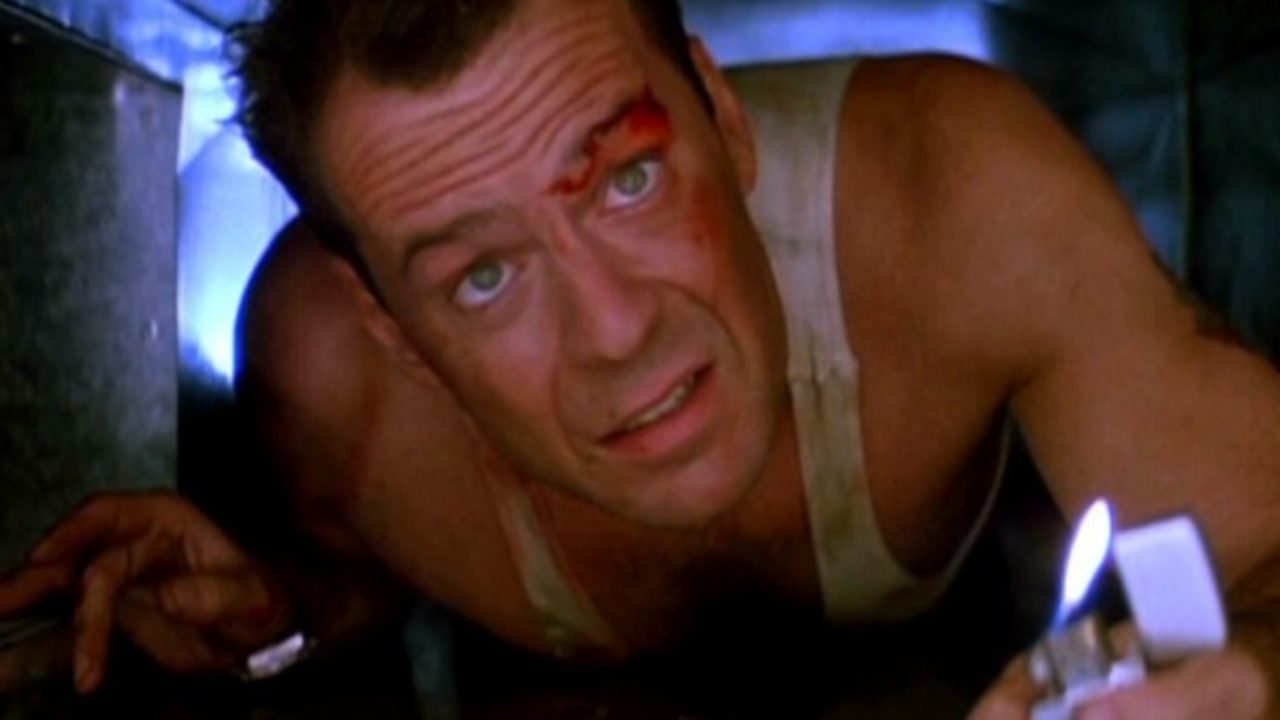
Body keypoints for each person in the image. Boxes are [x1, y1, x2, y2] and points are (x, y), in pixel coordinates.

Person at [2, 0, 1278, 716]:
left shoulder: (957, 200)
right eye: (483, 277)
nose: (616, 334)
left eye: (627, 180)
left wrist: (1247, 678)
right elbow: (358, 580)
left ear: (723, 116)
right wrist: (278, 610)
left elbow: (1267, 552)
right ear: (387, 324)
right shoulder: (328, 381)